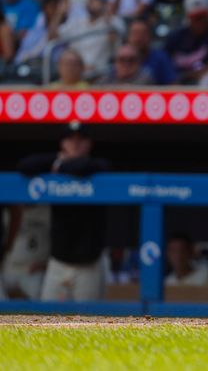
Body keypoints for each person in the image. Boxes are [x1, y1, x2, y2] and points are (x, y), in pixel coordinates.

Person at [18, 122, 110, 302]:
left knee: (89, 323)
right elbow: (24, 165)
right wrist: (58, 161)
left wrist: (60, 166)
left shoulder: (97, 166)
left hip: (88, 264)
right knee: (47, 320)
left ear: (89, 143)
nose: (75, 143)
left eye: (80, 139)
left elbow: (85, 167)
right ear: (62, 143)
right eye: (70, 139)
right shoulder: (54, 161)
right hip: (58, 262)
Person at [164, 0, 208, 84]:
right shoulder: (175, 37)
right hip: (179, 83)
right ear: (188, 18)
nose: (201, 21)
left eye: (203, 16)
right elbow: (165, 63)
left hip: (205, 83)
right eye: (196, 18)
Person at [58, 0, 122, 75]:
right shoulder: (77, 22)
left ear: (104, 2)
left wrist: (105, 11)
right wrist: (59, 13)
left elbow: (113, 41)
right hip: (75, 73)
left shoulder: (114, 21)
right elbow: (52, 37)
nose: (91, 1)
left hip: (100, 74)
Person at [126, 18, 176, 85]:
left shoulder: (160, 58)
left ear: (150, 36)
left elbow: (173, 86)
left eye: (143, 34)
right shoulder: (120, 57)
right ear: (128, 37)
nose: (139, 38)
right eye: (135, 33)